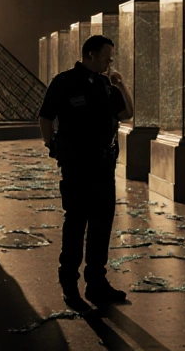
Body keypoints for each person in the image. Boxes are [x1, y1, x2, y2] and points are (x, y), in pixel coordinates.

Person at [38, 34, 133, 305]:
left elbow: (127, 114)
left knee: (101, 227)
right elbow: (45, 116)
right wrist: (51, 144)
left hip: (103, 167)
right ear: (90, 54)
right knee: (76, 225)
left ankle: (96, 283)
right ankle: (69, 283)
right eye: (106, 56)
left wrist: (121, 83)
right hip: (77, 167)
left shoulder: (105, 84)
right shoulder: (64, 82)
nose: (109, 61)